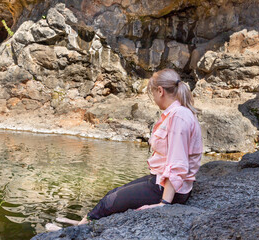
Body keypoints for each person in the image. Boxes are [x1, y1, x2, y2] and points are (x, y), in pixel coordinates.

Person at [75, 68, 203, 224]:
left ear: (160, 91)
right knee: (112, 195)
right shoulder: (176, 113)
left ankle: (81, 229)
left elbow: (177, 162)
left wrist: (164, 204)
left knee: (110, 202)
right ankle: (82, 224)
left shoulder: (178, 116)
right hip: (160, 181)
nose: (154, 99)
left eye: (153, 93)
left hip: (169, 190)